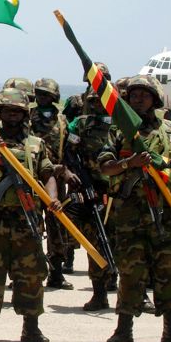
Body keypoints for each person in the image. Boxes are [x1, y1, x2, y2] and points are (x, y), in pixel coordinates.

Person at [98, 75, 171, 342]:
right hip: (130, 215)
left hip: (165, 214)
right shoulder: (119, 131)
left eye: (145, 94)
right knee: (130, 272)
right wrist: (129, 163)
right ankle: (123, 330)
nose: (139, 99)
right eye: (134, 95)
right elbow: (105, 167)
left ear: (155, 98)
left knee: (170, 270)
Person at [0, 88, 61, 342]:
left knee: (31, 276)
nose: (13, 115)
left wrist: (51, 197)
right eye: (8, 110)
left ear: (25, 115)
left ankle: (31, 328)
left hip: (26, 220)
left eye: (18, 111)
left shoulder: (36, 144)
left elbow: (48, 174)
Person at [66, 91, 115, 310]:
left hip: (117, 189)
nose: (97, 105)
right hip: (91, 189)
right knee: (96, 240)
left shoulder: (122, 125)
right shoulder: (80, 124)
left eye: (101, 101)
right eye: (93, 101)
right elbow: (69, 151)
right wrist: (75, 174)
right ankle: (99, 292)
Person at [30, 78, 74, 290]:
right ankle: (32, 271)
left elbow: (69, 149)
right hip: (33, 179)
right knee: (34, 226)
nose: (42, 97)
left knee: (57, 228)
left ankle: (56, 273)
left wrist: (66, 170)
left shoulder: (63, 121)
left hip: (56, 179)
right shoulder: (28, 117)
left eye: (46, 94)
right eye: (39, 93)